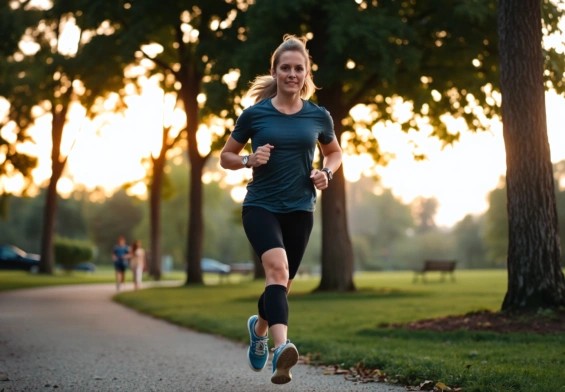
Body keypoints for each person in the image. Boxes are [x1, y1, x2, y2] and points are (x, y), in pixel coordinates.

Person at [219, 34, 342, 385]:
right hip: (261, 206)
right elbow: (225, 156)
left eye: (298, 69)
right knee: (277, 268)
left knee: (281, 283)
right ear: (274, 71)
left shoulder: (319, 116)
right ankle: (281, 350)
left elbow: (334, 152)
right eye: (285, 68)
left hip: (300, 209)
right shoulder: (255, 115)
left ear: (306, 74)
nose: (292, 74)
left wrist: (326, 172)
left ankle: (258, 330)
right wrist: (248, 159)